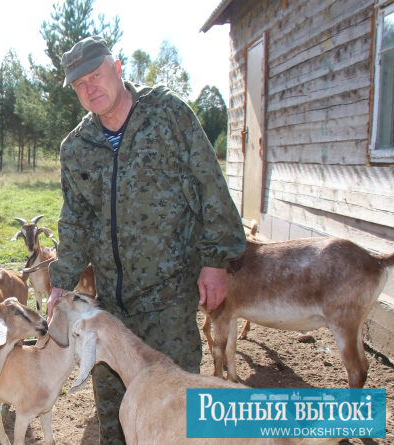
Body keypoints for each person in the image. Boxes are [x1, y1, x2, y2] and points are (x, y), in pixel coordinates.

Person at [46, 36, 246, 444]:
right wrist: (62, 279)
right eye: (80, 84)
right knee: (114, 414)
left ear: (117, 68)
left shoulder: (168, 116)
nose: (90, 88)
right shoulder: (76, 148)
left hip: (169, 299)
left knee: (175, 414)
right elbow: (75, 220)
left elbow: (210, 186)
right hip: (111, 308)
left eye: (96, 75)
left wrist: (215, 260)